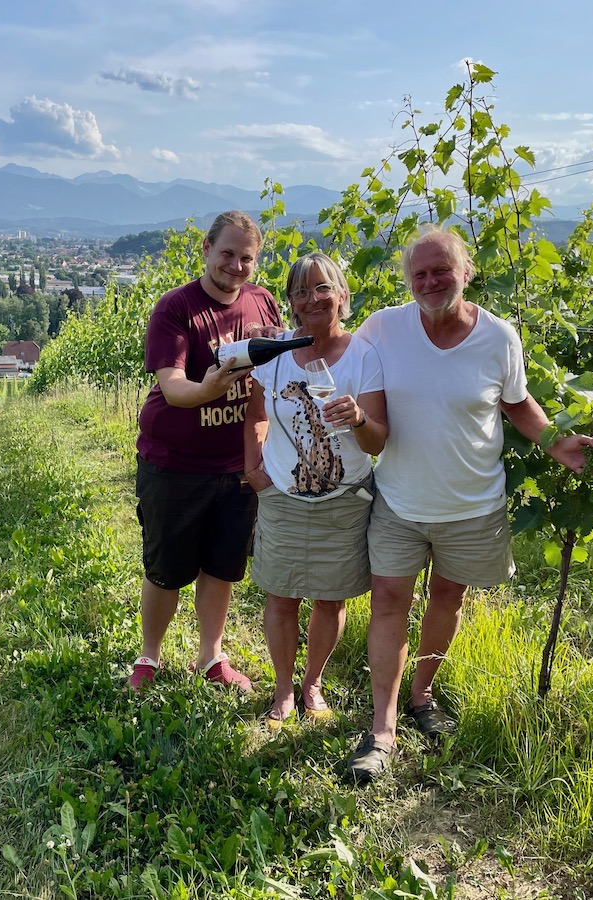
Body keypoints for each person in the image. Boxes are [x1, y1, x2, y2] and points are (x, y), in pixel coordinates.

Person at [345, 226, 593, 783]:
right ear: (408, 280)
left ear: (466, 271)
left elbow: (517, 403)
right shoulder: (383, 327)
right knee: (388, 600)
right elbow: (338, 352)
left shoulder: (498, 338)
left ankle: (422, 696)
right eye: (420, 273)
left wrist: (558, 443)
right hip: (398, 500)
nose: (431, 281)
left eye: (442, 270)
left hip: (471, 504)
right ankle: (381, 727)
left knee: (447, 598)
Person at [128, 210, 284, 692]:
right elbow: (174, 388)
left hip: (236, 466)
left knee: (222, 565)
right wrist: (212, 386)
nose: (236, 266)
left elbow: (275, 376)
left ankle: (210, 657)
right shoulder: (177, 308)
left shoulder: (263, 304)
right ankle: (149, 656)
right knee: (167, 569)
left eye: (246, 258)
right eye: (227, 254)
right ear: (206, 249)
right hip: (174, 463)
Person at [243, 252, 388, 728]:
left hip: (343, 501)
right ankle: (284, 688)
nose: (312, 299)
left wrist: (360, 419)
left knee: (330, 599)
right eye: (301, 291)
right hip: (283, 496)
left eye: (322, 288)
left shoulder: (364, 355)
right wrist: (255, 467)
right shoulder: (276, 351)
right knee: (281, 597)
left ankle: (313, 683)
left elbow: (377, 439)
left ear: (341, 295)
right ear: (291, 303)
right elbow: (256, 412)